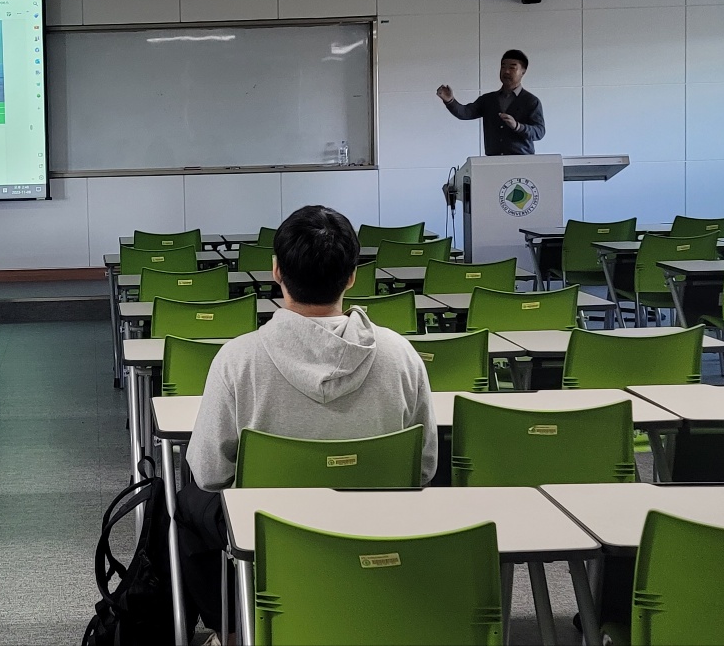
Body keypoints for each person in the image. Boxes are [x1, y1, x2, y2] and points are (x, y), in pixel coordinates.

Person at [173, 205, 437, 635]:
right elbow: (424, 468)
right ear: (352, 276)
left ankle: (235, 630)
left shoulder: (237, 359)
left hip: (268, 533)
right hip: (379, 525)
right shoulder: (401, 355)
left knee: (186, 502)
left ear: (276, 271)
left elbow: (209, 472)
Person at [437, 48, 546, 155]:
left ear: (523, 71)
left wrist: (517, 126)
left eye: (512, 68)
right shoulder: (488, 99)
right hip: (492, 161)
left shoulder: (531, 101)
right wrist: (450, 101)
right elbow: (465, 113)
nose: (506, 71)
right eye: (503, 67)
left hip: (522, 161)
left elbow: (539, 132)